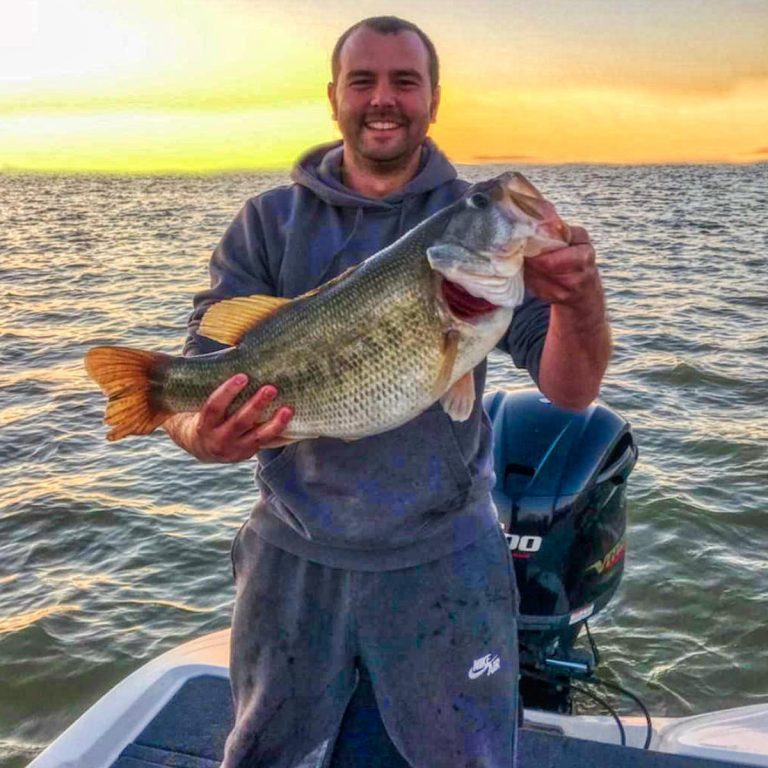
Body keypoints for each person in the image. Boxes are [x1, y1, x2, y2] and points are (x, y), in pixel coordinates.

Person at [164, 16, 611, 768]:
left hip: (445, 549)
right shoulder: (268, 224)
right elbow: (185, 393)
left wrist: (581, 297)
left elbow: (572, 390)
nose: (384, 99)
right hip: (293, 550)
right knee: (266, 754)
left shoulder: (481, 231)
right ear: (333, 95)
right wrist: (203, 436)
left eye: (405, 82)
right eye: (363, 80)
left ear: (433, 100)